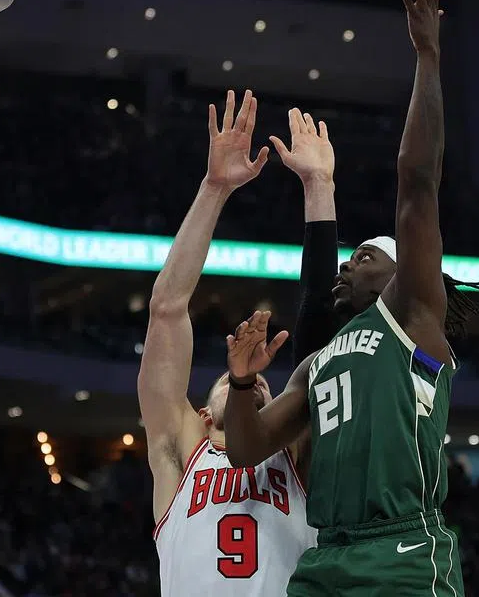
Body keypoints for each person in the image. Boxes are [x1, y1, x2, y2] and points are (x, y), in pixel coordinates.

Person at [222, 0, 479, 596]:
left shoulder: (413, 317)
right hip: (325, 560)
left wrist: (427, 57)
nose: (348, 261)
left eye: (365, 255)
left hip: (401, 552)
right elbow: (246, 450)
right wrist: (242, 380)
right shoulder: (318, 363)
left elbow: (418, 184)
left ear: (404, 274)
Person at [139, 89, 316, 596]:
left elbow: (320, 346)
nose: (258, 380)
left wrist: (317, 187)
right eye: (235, 380)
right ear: (201, 415)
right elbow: (167, 310)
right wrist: (214, 189)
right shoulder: (180, 450)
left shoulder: (297, 453)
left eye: (264, 383)